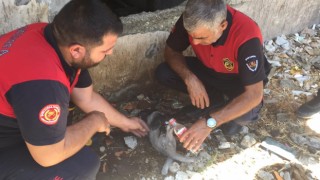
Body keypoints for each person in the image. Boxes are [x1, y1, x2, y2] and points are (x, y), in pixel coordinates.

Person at [0, 0, 149, 179]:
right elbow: (48, 155)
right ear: (76, 50)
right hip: (6, 146)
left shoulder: (52, 37)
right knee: (82, 165)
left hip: (13, 122)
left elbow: (86, 97)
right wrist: (94, 122)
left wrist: (126, 123)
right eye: (106, 50)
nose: (110, 53)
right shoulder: (44, 84)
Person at [155, 0, 271, 152]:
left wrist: (209, 122)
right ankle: (216, 99)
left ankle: (220, 105)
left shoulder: (247, 35)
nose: (194, 43)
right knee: (164, 73)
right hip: (209, 70)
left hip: (238, 80)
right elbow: (171, 52)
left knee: (244, 116)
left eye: (202, 38)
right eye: (192, 37)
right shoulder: (192, 19)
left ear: (222, 26)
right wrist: (190, 78)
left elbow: (254, 94)